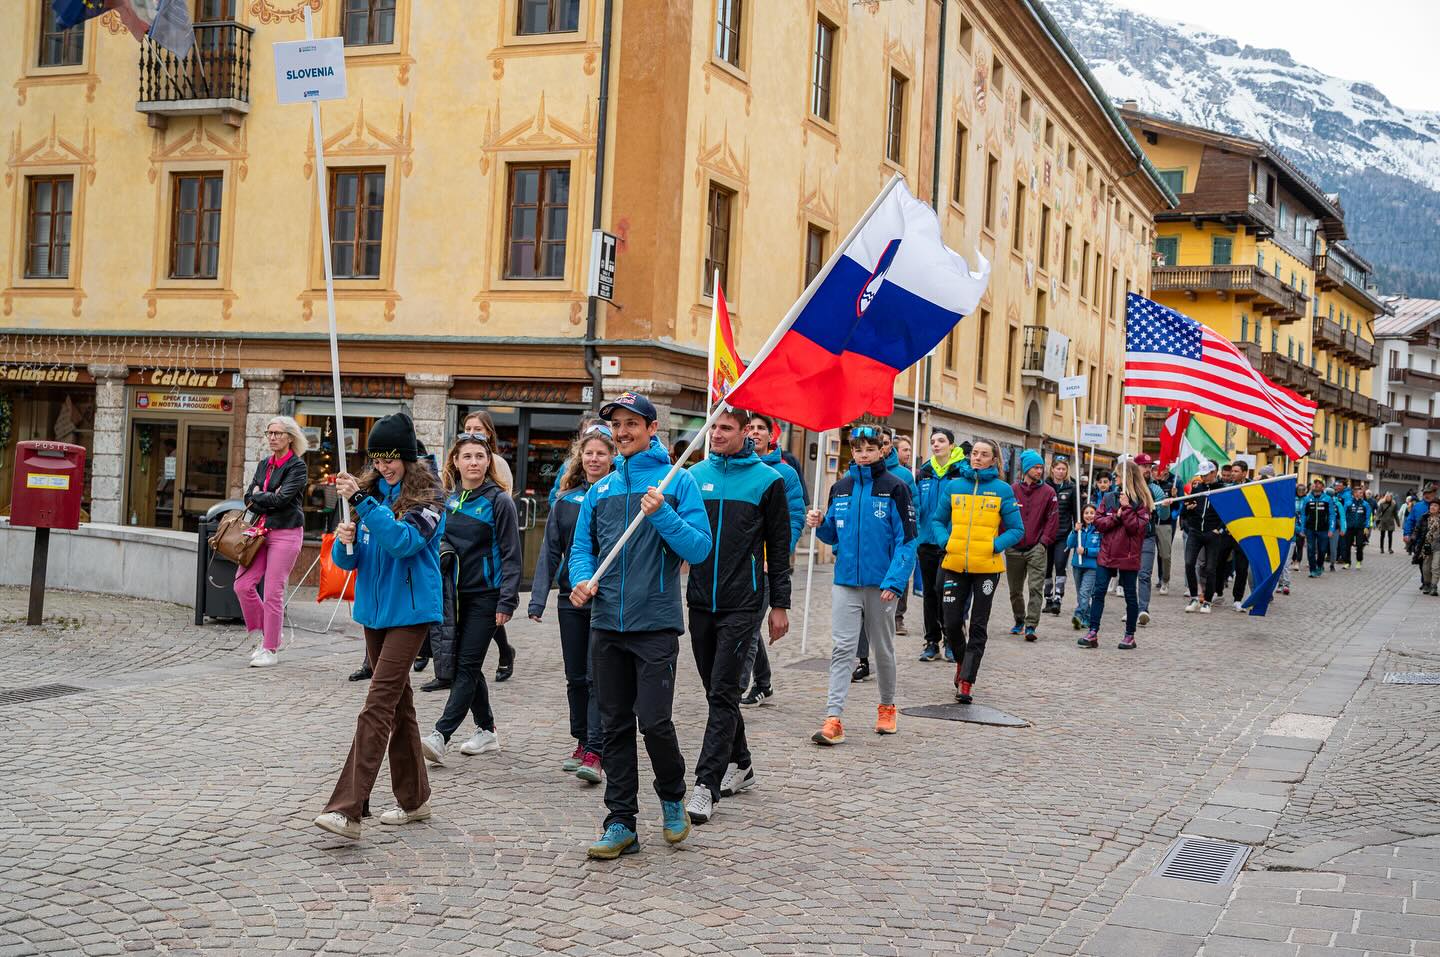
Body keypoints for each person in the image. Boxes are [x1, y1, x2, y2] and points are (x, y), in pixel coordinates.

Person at [568, 391, 712, 860]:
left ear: (653, 430)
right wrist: (581, 579)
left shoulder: (678, 481)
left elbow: (698, 549)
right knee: (613, 726)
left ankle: (672, 797)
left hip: (655, 625)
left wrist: (662, 513)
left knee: (653, 721)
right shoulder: (600, 489)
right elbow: (582, 548)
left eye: (633, 423)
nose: (624, 432)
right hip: (607, 623)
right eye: (618, 425)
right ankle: (620, 821)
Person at [314, 413, 445, 841]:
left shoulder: (429, 498)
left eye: (392, 457)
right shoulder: (365, 494)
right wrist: (347, 539)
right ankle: (415, 798)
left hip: (411, 614)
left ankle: (348, 809)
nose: (385, 465)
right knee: (400, 708)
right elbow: (351, 563)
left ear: (407, 457)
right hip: (373, 612)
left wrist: (366, 509)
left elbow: (403, 543)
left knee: (377, 704)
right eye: (378, 457)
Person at [683, 409, 792, 824]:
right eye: (712, 427)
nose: (716, 434)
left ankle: (705, 786)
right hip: (699, 600)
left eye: (725, 428)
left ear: (746, 432)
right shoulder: (693, 477)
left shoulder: (768, 481)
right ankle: (741, 762)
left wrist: (779, 604)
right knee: (717, 690)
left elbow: (779, 549)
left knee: (724, 691)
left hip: (743, 602)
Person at [806, 424, 917, 744]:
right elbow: (832, 535)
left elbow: (907, 540)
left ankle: (887, 707)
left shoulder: (895, 487)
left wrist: (895, 581)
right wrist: (818, 524)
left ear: (882, 450)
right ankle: (833, 717)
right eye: (858, 449)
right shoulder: (840, 488)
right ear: (851, 451)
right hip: (846, 582)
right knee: (842, 648)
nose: (863, 455)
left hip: (881, 584)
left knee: (882, 649)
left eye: (870, 449)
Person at [419, 433, 521, 766]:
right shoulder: (447, 499)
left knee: (466, 665)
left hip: (486, 597)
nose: (474, 462)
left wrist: (507, 601)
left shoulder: (498, 501)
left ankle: (440, 735)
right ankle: (487, 730)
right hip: (453, 596)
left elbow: (511, 555)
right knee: (468, 663)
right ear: (455, 461)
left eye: (480, 456)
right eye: (467, 456)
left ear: (489, 462)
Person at [530, 424, 615, 783]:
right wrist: (538, 599)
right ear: (580, 457)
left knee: (598, 676)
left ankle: (597, 750)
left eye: (601, 452)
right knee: (575, 677)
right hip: (570, 598)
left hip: (607, 597)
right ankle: (582, 740)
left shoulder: (617, 494)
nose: (594, 458)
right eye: (589, 452)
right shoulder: (565, 501)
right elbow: (550, 551)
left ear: (612, 458)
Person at [928, 437, 1022, 704]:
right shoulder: (955, 486)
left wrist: (994, 545)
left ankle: (967, 680)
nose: (977, 458)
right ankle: (961, 661)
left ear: (994, 460)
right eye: (975, 454)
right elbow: (937, 520)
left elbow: (1017, 529)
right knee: (951, 622)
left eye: (984, 454)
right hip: (955, 565)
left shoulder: (1002, 490)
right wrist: (945, 541)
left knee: (978, 625)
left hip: (987, 569)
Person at [738, 412, 804, 709]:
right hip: (736, 564)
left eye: (759, 428)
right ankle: (764, 682)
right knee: (745, 624)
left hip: (764, 564)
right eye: (749, 427)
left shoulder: (784, 473)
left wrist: (775, 557)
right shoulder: (736, 468)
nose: (753, 432)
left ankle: (737, 688)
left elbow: (794, 518)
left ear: (770, 435)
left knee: (749, 626)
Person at [236, 416, 309, 668]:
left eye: (278, 433)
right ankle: (266, 634)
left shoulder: (297, 467)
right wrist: (266, 496)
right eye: (269, 433)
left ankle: (271, 648)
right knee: (242, 585)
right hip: (260, 531)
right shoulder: (264, 464)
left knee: (273, 591)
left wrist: (262, 496)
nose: (273, 437)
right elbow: (249, 497)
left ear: (290, 437)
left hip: (286, 532)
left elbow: (283, 500)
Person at [458, 411, 518, 682]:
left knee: (487, 619)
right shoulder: (458, 459)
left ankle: (505, 652)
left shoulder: (497, 466)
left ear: (489, 434)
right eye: (468, 428)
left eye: (478, 430)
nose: (472, 433)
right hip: (462, 567)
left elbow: (501, 504)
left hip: (485, 557)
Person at [1078, 459, 1153, 650]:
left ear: (1126, 477)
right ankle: (1093, 632)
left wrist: (1127, 508)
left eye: (1118, 475)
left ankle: (1129, 635)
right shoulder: (1109, 498)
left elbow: (1135, 528)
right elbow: (1099, 522)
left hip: (1128, 554)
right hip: (1108, 552)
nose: (1114, 478)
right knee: (1099, 592)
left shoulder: (1143, 500)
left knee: (1129, 594)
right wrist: (1117, 516)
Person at [915, 428, 965, 662]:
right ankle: (931, 641)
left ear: (952, 445)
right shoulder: (924, 472)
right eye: (933, 441)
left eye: (941, 441)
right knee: (929, 594)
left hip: (951, 541)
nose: (936, 445)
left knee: (945, 591)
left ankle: (951, 640)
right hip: (926, 540)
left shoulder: (962, 471)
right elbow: (916, 505)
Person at [1006, 450, 1058, 641]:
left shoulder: (1049, 493)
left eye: (1041, 467)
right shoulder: (1012, 490)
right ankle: (1019, 620)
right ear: (1026, 468)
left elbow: (1052, 521)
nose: (1039, 471)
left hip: (1036, 548)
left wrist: (1043, 543)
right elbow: (1004, 517)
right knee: (1015, 591)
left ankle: (1030, 626)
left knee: (1035, 588)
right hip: (1013, 548)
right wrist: (1006, 540)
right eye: (1036, 467)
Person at [1132, 454, 1169, 626]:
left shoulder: (1156, 490)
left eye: (1149, 466)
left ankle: (1143, 609)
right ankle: (1131, 609)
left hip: (1147, 537)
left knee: (1144, 574)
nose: (1147, 469)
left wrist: (1165, 507)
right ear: (1136, 468)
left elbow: (1164, 516)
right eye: (1144, 466)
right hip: (1129, 538)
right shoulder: (1127, 487)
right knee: (1129, 575)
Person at [1182, 461, 1223, 612]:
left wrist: (1220, 529)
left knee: (1211, 568)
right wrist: (1189, 509)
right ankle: (1194, 598)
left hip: (1213, 533)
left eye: (1206, 475)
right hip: (1195, 531)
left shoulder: (1223, 489)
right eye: (1202, 475)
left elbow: (1228, 512)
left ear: (1214, 473)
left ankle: (1207, 601)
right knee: (1188, 563)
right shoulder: (1197, 487)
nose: (1203, 477)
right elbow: (1187, 509)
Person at [1043, 458, 1078, 617]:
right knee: (1046, 567)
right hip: (1046, 534)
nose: (1061, 472)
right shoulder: (1044, 486)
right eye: (1058, 469)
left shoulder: (1072, 488)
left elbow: (1076, 512)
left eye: (1064, 469)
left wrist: (1078, 527)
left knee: (1060, 564)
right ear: (1052, 470)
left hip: (1063, 534)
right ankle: (1048, 598)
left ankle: (1058, 598)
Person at [1067, 504, 1102, 631]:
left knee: (1084, 592)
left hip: (1092, 567)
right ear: (1082, 515)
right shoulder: (1079, 529)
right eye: (1086, 513)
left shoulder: (1099, 530)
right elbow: (1070, 544)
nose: (1089, 515)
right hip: (1078, 565)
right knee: (1080, 594)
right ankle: (1086, 618)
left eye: (1092, 513)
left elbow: (1102, 550)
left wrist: (1086, 551)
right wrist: (1075, 531)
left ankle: (1078, 615)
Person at [1297, 478, 1340, 579]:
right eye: (1315, 483)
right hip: (1310, 529)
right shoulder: (1307, 499)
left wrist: (1331, 529)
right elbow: (1303, 515)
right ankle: (1312, 570)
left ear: (1323, 487)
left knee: (1322, 549)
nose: (1316, 485)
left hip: (1323, 529)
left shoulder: (1327, 499)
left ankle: (1320, 565)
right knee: (1311, 550)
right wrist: (1302, 529)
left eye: (1319, 483)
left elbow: (1331, 515)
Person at [1152, 462, 1179, 595]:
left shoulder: (1171, 486)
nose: (1157, 472)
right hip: (1150, 524)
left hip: (1165, 524)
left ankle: (1165, 580)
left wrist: (1174, 497)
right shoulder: (1148, 486)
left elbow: (1177, 506)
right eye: (1155, 470)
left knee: (1165, 555)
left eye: (1160, 469)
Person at [1338, 482, 1372, 569]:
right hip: (1349, 527)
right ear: (1355, 493)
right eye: (1360, 493)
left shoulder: (1365, 504)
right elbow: (1343, 516)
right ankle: (1347, 562)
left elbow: (1368, 517)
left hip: (1360, 528)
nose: (1362, 494)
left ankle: (1359, 561)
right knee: (1347, 545)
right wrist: (1343, 527)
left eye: (1362, 493)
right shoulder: (1348, 503)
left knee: (1360, 545)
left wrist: (1367, 527)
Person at [1420, 499, 1440, 595]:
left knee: (1435, 566)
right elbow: (1418, 529)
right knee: (1426, 567)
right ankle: (1427, 584)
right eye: (1431, 505)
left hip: (1438, 546)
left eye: (1435, 505)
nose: (1432, 507)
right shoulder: (1424, 518)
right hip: (1427, 545)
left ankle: (1434, 587)